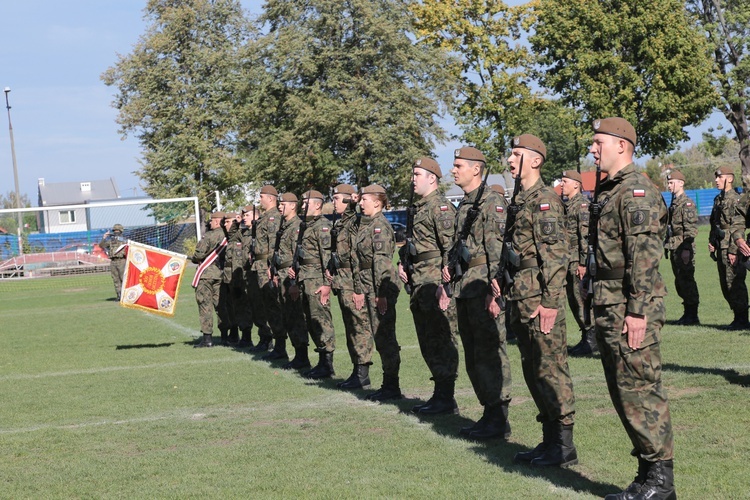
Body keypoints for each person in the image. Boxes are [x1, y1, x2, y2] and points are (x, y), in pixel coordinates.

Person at [587, 117, 675, 499]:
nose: (593, 149)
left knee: (641, 388)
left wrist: (637, 311)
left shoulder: (636, 190)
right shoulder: (611, 190)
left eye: (598, 142)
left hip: (630, 305)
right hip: (611, 302)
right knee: (624, 391)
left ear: (621, 145)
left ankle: (661, 482)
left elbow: (644, 256)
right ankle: (645, 475)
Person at [493, 135, 577, 467]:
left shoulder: (545, 201)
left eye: (517, 155)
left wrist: (551, 302)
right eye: (511, 154)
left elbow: (556, 258)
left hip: (540, 298)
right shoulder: (520, 200)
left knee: (551, 369)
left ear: (536, 160)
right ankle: (548, 441)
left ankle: (564, 444)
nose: (511, 160)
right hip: (520, 294)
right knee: (533, 370)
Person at [441, 146, 512, 440]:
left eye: (459, 165)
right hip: (465, 287)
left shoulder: (491, 202)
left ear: (476, 169)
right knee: (473, 353)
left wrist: (495, 293)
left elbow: (497, 250)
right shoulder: (467, 203)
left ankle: (499, 416)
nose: (453, 170)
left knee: (490, 352)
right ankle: (488, 412)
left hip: (483, 286)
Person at [398, 157, 460, 415]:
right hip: (420, 280)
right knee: (427, 339)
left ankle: (446, 397)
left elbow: (451, 249)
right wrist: (404, 263)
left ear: (432, 178)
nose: (413, 179)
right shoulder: (419, 208)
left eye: (417, 174)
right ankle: (439, 393)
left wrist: (445, 287)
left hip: (435, 281)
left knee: (441, 338)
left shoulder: (440, 207)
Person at [352, 184, 402, 401]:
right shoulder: (369, 224)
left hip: (379, 288)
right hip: (369, 286)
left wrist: (381, 293)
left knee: (385, 337)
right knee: (379, 336)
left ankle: (391, 386)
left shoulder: (379, 226)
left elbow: (382, 263)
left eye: (365, 199)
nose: (361, 203)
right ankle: (388, 384)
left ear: (377, 202)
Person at [328, 185, 372, 390]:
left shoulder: (354, 222)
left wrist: (358, 289)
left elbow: (356, 258)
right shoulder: (342, 222)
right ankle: (356, 370)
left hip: (352, 282)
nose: (334, 202)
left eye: (337, 198)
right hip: (342, 280)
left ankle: (362, 372)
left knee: (359, 327)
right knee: (350, 328)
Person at [289, 189, 336, 379]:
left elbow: (327, 259)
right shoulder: (306, 225)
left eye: (306, 203)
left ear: (317, 205)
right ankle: (320, 362)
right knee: (311, 321)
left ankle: (327, 364)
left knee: (321, 321)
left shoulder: (323, 226)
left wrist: (327, 284)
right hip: (305, 278)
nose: (303, 206)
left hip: (317, 280)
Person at [559, 170, 596, 356]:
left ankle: (591, 339)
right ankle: (586, 336)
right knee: (574, 300)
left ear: (576, 184)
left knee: (581, 300)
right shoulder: (568, 205)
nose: (562, 184)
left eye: (565, 181)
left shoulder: (581, 205)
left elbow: (585, 237)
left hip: (577, 262)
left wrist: (583, 263)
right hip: (569, 260)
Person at [708, 166, 749, 329]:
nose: (716, 180)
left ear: (729, 179)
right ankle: (737, 316)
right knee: (725, 282)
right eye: (716, 177)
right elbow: (714, 222)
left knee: (735, 281)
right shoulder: (718, 199)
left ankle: (742, 318)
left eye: (719, 177)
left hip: (731, 245)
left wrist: (734, 250)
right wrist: (712, 241)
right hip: (721, 243)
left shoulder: (736, 199)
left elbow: (738, 226)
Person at [272, 192, 307, 365]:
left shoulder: (297, 226)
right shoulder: (285, 226)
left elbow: (297, 257)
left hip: (291, 275)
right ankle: (298, 354)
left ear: (293, 205)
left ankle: (302, 356)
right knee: (288, 316)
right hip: (282, 273)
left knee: (296, 317)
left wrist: (294, 282)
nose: (279, 206)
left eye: (283, 203)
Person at [249, 185, 284, 355]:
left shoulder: (273, 218)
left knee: (272, 306)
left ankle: (279, 345)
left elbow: (273, 246)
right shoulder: (264, 218)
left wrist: (272, 268)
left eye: (262, 196)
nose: (260, 199)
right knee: (264, 306)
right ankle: (269, 340)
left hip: (266, 267)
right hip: (259, 266)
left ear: (271, 198)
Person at [665, 170, 700, 325]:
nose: (669, 185)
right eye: (668, 182)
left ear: (681, 183)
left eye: (672, 182)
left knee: (687, 280)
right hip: (674, 245)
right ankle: (687, 313)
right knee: (680, 281)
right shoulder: (673, 203)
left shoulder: (687, 203)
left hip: (683, 246)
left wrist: (686, 249)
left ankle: (692, 315)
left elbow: (691, 229)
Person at [191, 212, 229, 348]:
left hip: (206, 274)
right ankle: (225, 336)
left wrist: (194, 258)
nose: (210, 223)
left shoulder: (209, 235)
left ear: (217, 221)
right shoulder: (228, 235)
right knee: (221, 305)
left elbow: (198, 254)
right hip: (221, 274)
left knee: (205, 305)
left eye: (212, 221)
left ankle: (207, 338)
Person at [99, 223, 128, 300]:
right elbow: (102, 245)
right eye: (115, 230)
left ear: (121, 231)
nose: (116, 231)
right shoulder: (111, 241)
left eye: (117, 230)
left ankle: (126, 296)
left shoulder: (125, 240)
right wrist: (104, 237)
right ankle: (119, 295)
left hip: (122, 261)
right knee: (115, 279)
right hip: (113, 261)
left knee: (123, 279)